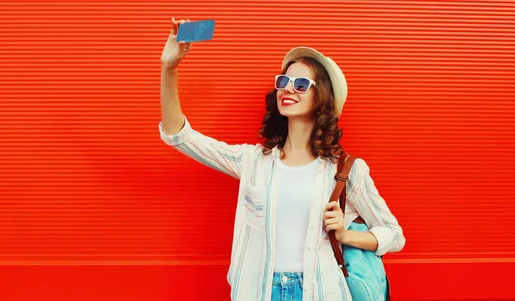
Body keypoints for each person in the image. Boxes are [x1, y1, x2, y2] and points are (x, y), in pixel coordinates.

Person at [159, 18, 405, 301]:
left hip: (321, 291)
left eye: (301, 83)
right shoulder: (253, 161)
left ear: (322, 97)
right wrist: (170, 67)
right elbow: (180, 136)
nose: (288, 88)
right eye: (283, 81)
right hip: (258, 290)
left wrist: (346, 235)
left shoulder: (347, 170)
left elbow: (394, 235)